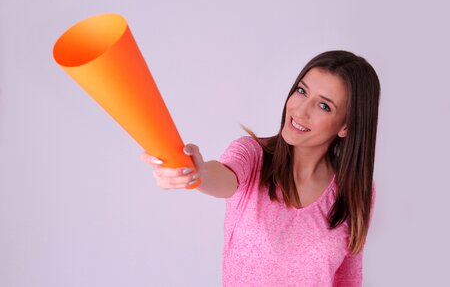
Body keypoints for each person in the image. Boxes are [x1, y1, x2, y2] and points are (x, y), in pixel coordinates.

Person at [140, 50, 380, 286]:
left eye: (324, 106)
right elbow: (224, 177)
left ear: (346, 127)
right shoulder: (252, 156)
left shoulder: (354, 188)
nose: (300, 110)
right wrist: (197, 172)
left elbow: (348, 278)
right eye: (301, 91)